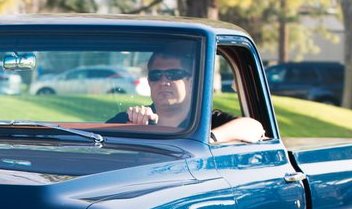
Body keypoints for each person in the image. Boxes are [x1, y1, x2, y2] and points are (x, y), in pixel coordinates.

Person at [110, 48, 267, 144]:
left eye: (174, 74)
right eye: (156, 75)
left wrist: (210, 138)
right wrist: (135, 127)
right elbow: (93, 144)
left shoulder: (208, 121)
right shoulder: (130, 120)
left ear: (190, 81)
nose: (164, 81)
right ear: (150, 81)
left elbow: (254, 128)